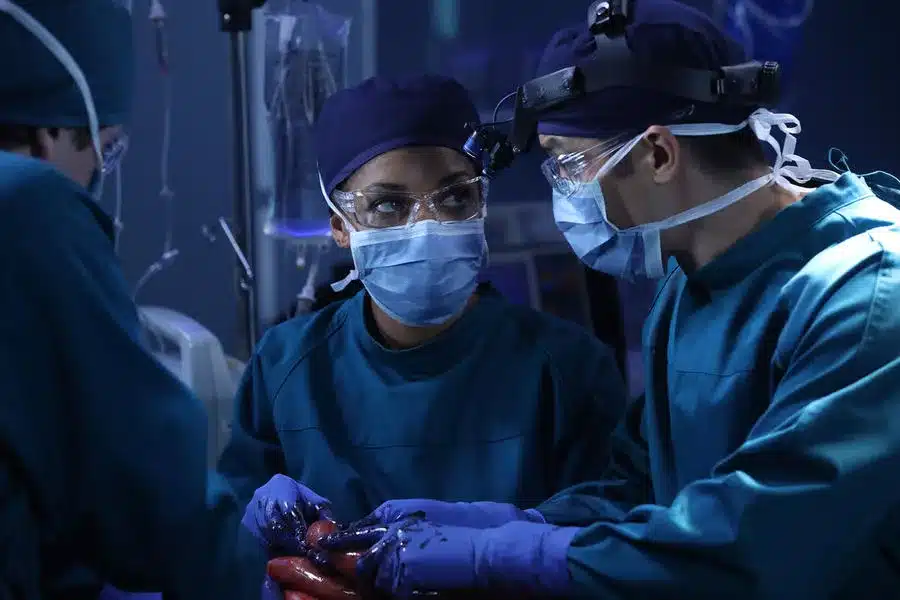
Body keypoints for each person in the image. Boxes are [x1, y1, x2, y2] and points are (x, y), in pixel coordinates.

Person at [302, 1, 900, 598]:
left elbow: (757, 543)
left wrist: (498, 556)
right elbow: (641, 488)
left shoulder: (866, 295)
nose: (561, 190)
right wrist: (506, 524)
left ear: (658, 154)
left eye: (568, 162)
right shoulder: (690, 283)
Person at [217, 74, 628, 533]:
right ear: (340, 227)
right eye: (388, 206)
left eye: (455, 197)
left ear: (481, 201)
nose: (428, 225)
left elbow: (606, 531)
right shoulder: (286, 367)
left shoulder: (566, 369)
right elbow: (233, 528)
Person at [0, 2, 269, 598]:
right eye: (108, 149)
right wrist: (261, 573)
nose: (100, 173)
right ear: (50, 132)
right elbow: (149, 498)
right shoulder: (28, 205)